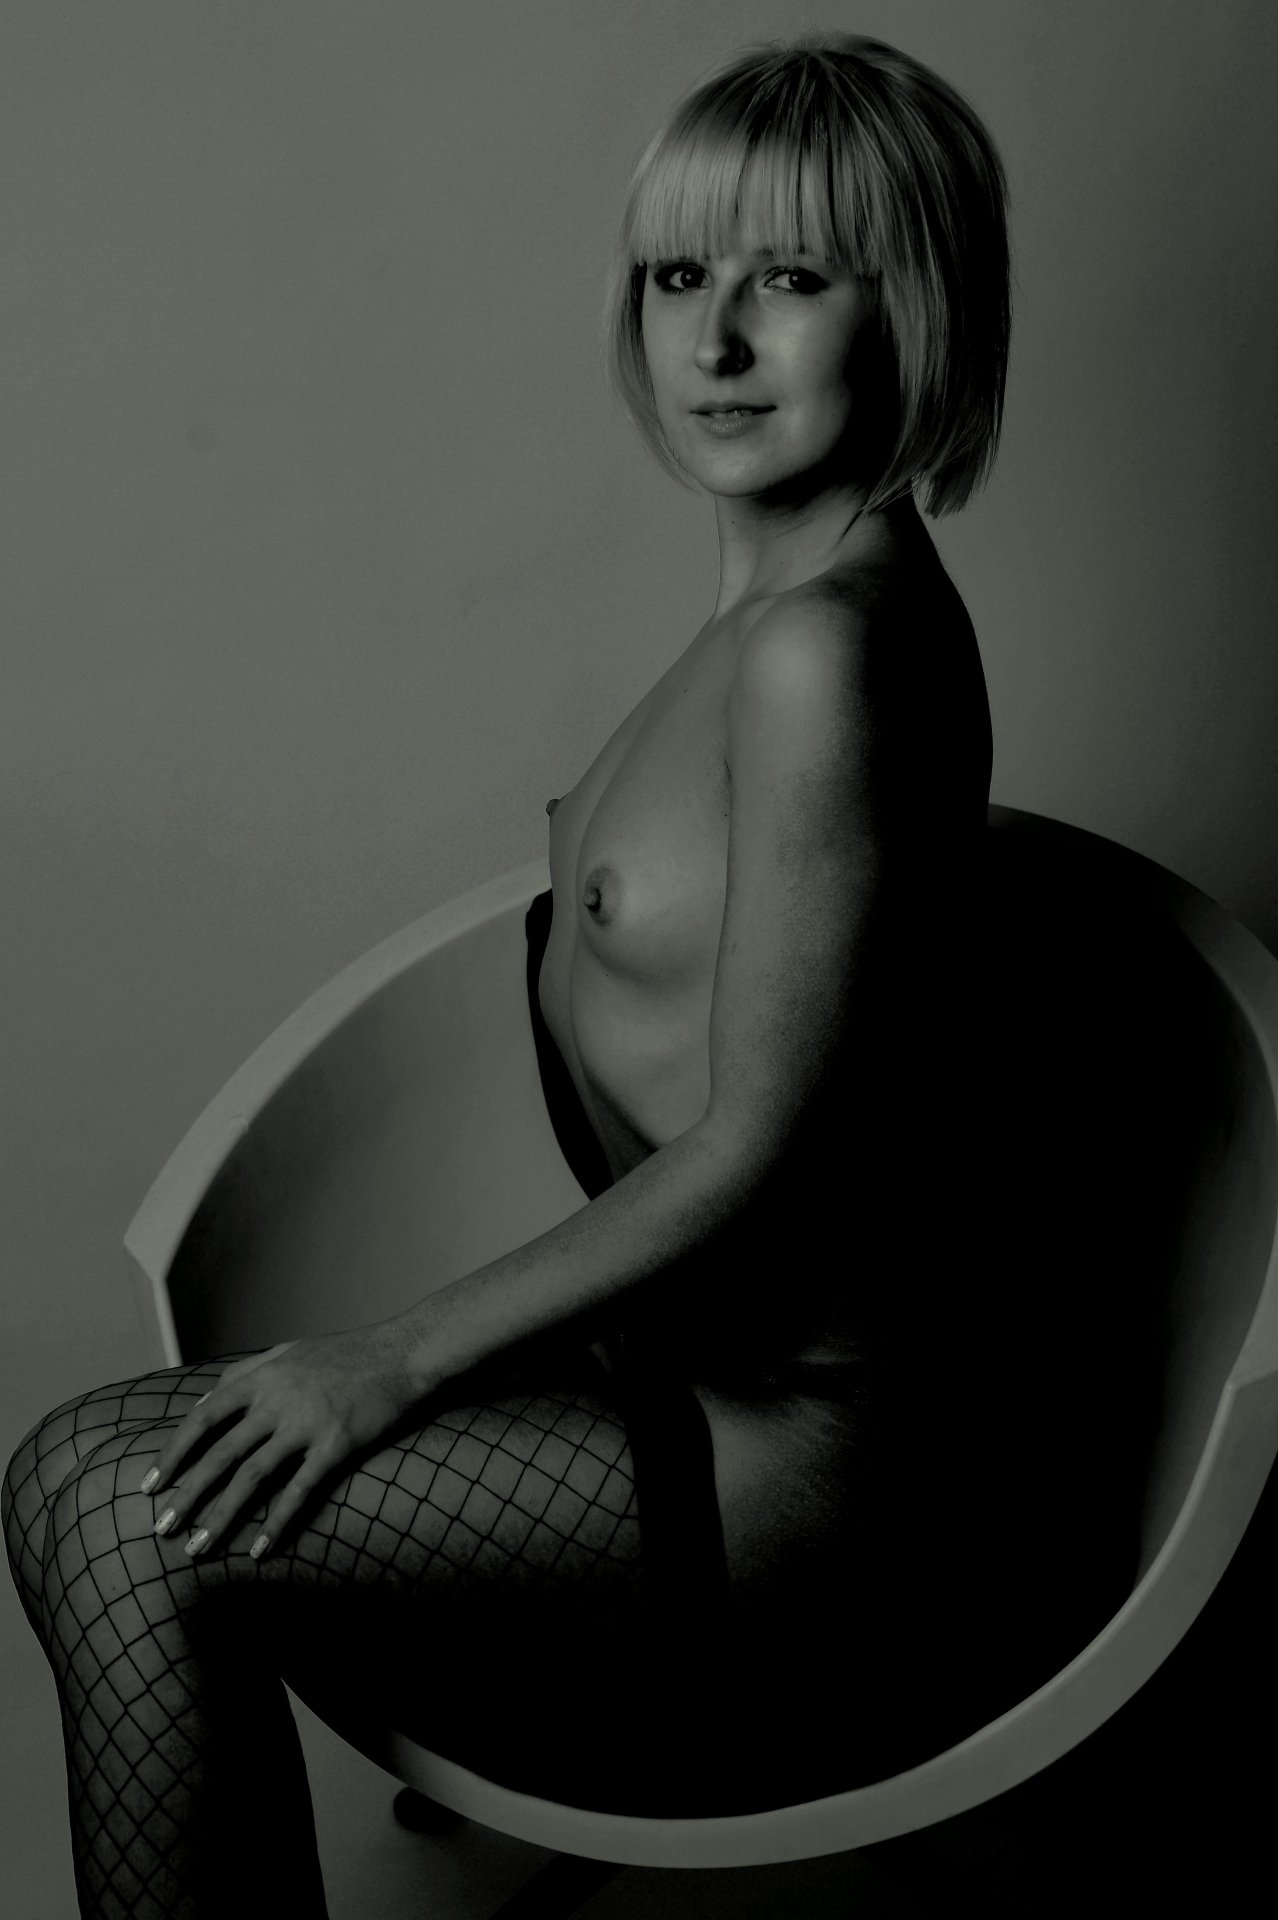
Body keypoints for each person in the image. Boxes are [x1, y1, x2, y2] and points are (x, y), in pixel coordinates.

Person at [3, 33, 1046, 1919]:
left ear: (916, 306)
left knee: (112, 1505)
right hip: (684, 1397)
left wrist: (388, 1363)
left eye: (791, 278)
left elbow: (764, 1152)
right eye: (677, 276)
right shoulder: (768, 620)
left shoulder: (826, 652)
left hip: (807, 1480)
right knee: (106, 1487)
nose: (715, 339)